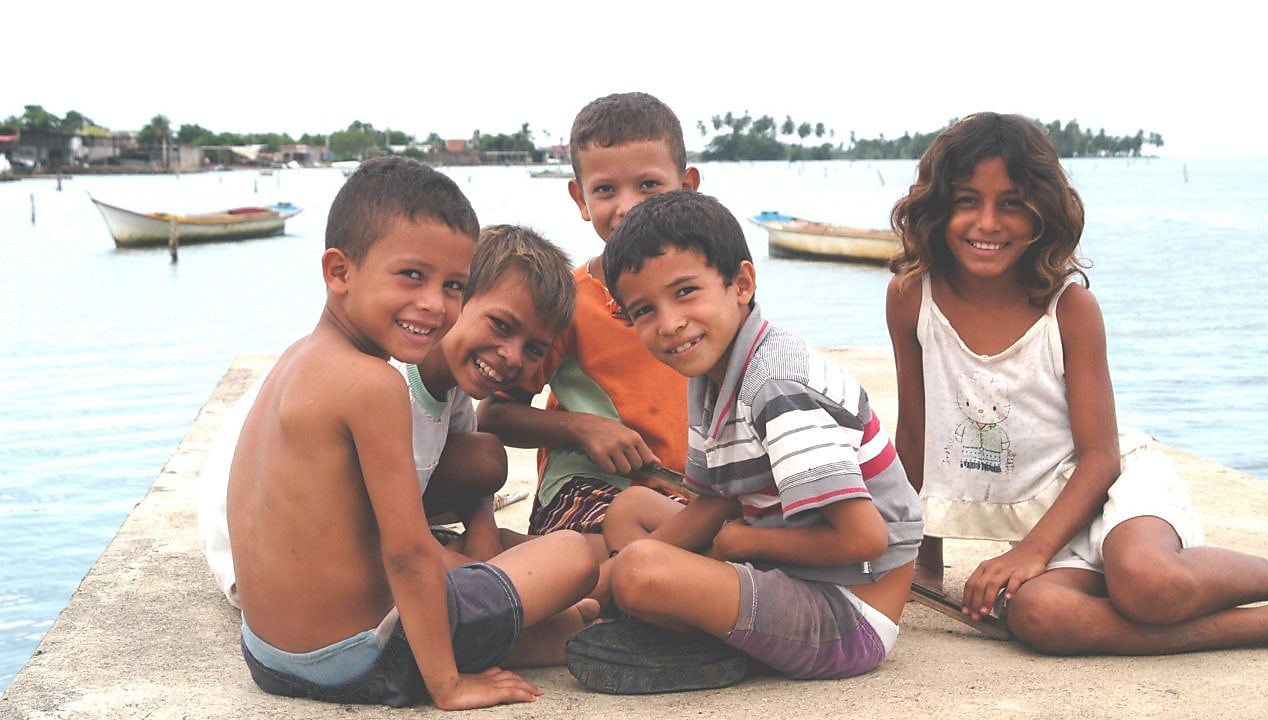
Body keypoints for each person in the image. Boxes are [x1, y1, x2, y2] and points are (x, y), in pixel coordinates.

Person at [885, 112, 1268, 655]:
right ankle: (1266, 626)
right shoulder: (912, 297)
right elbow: (916, 435)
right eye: (967, 200)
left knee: (1146, 584)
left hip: (1112, 487)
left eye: (1013, 203)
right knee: (1039, 615)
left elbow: (1101, 458)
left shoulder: (1068, 309)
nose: (988, 222)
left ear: (1043, 213)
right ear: (937, 206)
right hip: (1056, 529)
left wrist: (1027, 553)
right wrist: (919, 558)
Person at [227, 156, 598, 710]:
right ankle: (559, 635)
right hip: (360, 658)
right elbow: (406, 554)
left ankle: (560, 631)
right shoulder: (375, 385)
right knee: (574, 558)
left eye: (454, 285)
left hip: (269, 655)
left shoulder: (295, 360)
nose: (433, 304)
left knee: (565, 607)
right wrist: (448, 684)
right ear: (339, 271)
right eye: (411, 276)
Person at [567, 189, 922, 694]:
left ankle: (703, 633)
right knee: (631, 511)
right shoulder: (714, 372)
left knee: (643, 574)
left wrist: (742, 542)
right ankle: (646, 612)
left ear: (741, 283)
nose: (670, 324)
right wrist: (596, 584)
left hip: (850, 611)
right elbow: (716, 501)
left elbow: (865, 540)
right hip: (790, 567)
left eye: (685, 291)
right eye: (644, 309)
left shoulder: (777, 388)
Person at [198, 223, 575, 603]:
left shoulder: (450, 377)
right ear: (454, 300)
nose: (512, 356)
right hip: (274, 568)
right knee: (554, 581)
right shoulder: (381, 384)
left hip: (333, 529)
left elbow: (472, 467)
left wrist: (482, 532)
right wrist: (479, 576)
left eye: (534, 350)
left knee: (489, 467)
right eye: (501, 325)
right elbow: (373, 540)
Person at [477, 92, 701, 559]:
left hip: (682, 494)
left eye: (649, 186)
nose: (628, 208)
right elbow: (494, 415)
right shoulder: (569, 302)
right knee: (610, 555)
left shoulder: (709, 299)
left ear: (688, 187)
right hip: (589, 495)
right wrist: (582, 430)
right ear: (580, 198)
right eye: (605, 191)